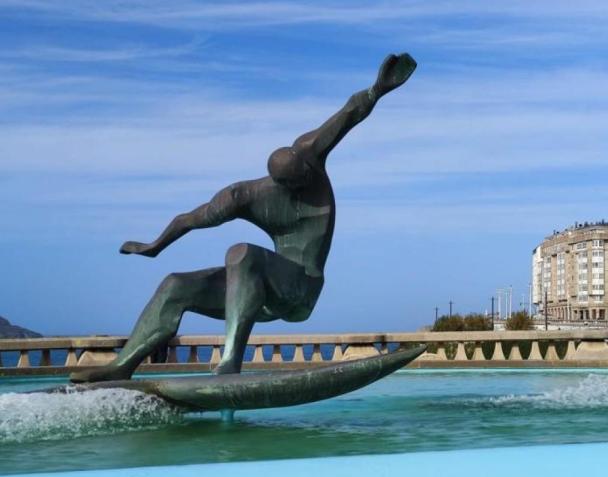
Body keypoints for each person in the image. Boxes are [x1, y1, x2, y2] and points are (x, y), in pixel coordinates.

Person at [70, 53, 417, 383]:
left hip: (301, 288)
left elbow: (348, 113)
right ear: (281, 182)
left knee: (244, 253)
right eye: (295, 184)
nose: (304, 185)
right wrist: (155, 246)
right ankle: (122, 366)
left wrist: (377, 90)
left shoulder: (310, 152)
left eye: (305, 177)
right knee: (175, 285)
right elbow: (191, 218)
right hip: (256, 294)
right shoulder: (245, 196)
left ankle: (230, 361)